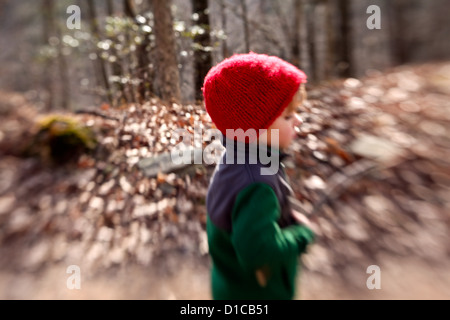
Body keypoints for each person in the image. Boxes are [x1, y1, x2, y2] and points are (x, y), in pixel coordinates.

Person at [203, 52, 315, 300]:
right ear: (254, 130)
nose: (298, 120)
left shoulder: (237, 159)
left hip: (231, 285)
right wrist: (301, 235)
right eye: (288, 116)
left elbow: (244, 220)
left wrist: (283, 217)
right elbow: (259, 252)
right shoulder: (257, 184)